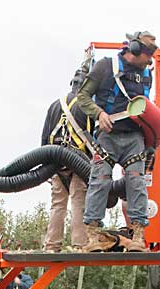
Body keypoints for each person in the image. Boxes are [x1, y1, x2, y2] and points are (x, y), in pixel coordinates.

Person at [75, 31, 160, 252]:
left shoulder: (146, 74)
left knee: (137, 184)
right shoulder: (105, 67)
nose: (150, 61)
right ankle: (93, 237)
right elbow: (82, 97)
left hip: (135, 137)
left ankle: (137, 237)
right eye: (148, 55)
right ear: (135, 50)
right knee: (100, 182)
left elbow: (144, 105)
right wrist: (98, 114)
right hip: (108, 135)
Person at [41, 70, 92, 252]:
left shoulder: (55, 105)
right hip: (80, 161)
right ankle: (81, 245)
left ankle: (52, 244)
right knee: (79, 201)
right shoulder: (88, 106)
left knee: (58, 203)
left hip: (56, 161)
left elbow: (45, 138)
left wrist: (45, 167)